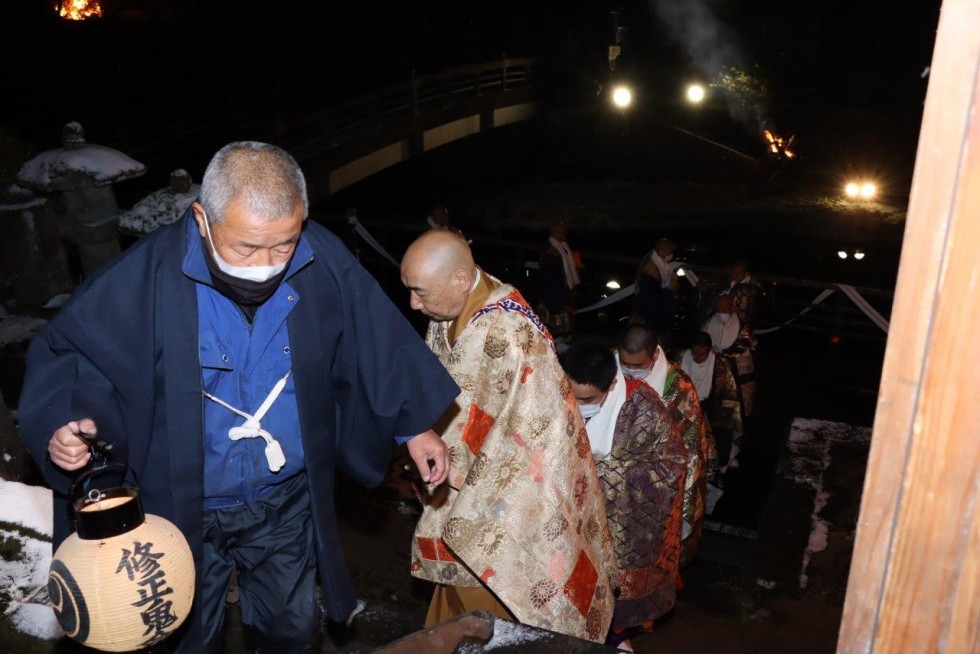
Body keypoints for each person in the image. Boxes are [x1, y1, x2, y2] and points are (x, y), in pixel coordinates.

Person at [17, 141, 460, 654]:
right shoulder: (141, 279)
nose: (268, 264)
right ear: (202, 218)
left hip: (283, 497)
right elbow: (76, 358)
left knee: (292, 629)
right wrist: (69, 426)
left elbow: (372, 338)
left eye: (284, 244)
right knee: (189, 634)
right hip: (182, 504)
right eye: (247, 248)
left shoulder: (321, 260)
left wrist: (414, 426)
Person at [400, 229, 616, 643]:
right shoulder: (448, 310)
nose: (414, 303)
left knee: (497, 609)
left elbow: (532, 430)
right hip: (456, 480)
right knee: (457, 596)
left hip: (508, 496)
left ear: (461, 281)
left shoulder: (511, 332)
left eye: (420, 292)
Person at [559, 340, 687, 651]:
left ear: (612, 383)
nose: (577, 405)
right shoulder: (555, 394)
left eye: (587, 399)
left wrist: (600, 471)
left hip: (620, 533)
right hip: (567, 526)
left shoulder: (644, 407)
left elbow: (672, 466)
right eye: (570, 396)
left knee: (608, 619)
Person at [615, 324, 714, 566]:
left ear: (656, 355)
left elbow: (690, 450)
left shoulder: (678, 388)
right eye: (625, 364)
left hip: (656, 487)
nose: (629, 372)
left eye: (638, 366)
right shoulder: (607, 369)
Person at [679, 331, 744, 473]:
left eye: (703, 354)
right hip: (686, 405)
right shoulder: (681, 359)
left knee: (721, 430)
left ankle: (718, 465)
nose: (698, 358)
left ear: (709, 351)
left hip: (712, 406)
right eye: (695, 354)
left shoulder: (720, 365)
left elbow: (728, 394)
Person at [703, 294, 757, 418]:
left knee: (736, 412)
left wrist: (723, 353)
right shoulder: (708, 324)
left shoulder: (743, 327)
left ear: (732, 308)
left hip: (737, 376)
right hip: (712, 377)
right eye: (718, 310)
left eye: (724, 309)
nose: (721, 313)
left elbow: (749, 347)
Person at [536, 221, 581, 343]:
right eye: (562, 231)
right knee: (553, 324)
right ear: (554, 233)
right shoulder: (550, 250)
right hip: (554, 293)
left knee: (566, 323)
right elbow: (548, 275)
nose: (565, 234)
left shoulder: (566, 247)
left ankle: (563, 344)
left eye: (565, 231)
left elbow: (575, 265)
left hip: (566, 290)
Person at [631, 238, 679, 348]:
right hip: (649, 320)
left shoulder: (658, 263)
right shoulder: (650, 271)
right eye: (670, 252)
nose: (671, 255)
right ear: (661, 252)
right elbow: (651, 300)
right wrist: (669, 290)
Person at [723, 259, 764, 327]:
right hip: (728, 318)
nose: (734, 276)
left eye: (737, 274)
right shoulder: (730, 282)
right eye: (733, 273)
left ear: (746, 274)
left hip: (742, 321)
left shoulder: (752, 285)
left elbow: (759, 291)